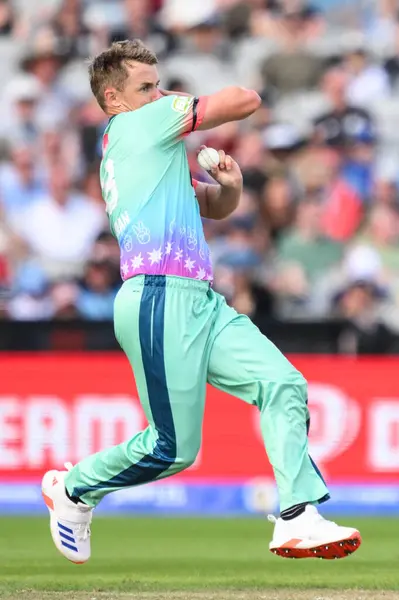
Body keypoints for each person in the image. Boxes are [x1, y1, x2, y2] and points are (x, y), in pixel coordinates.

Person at [41, 40, 361, 564]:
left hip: (200, 300)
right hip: (157, 296)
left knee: (282, 384)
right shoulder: (137, 125)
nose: (160, 93)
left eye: (159, 84)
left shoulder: (146, 149)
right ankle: (74, 487)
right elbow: (244, 99)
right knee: (172, 450)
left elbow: (213, 204)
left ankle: (297, 516)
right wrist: (189, 106)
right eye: (146, 87)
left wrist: (230, 185)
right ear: (114, 99)